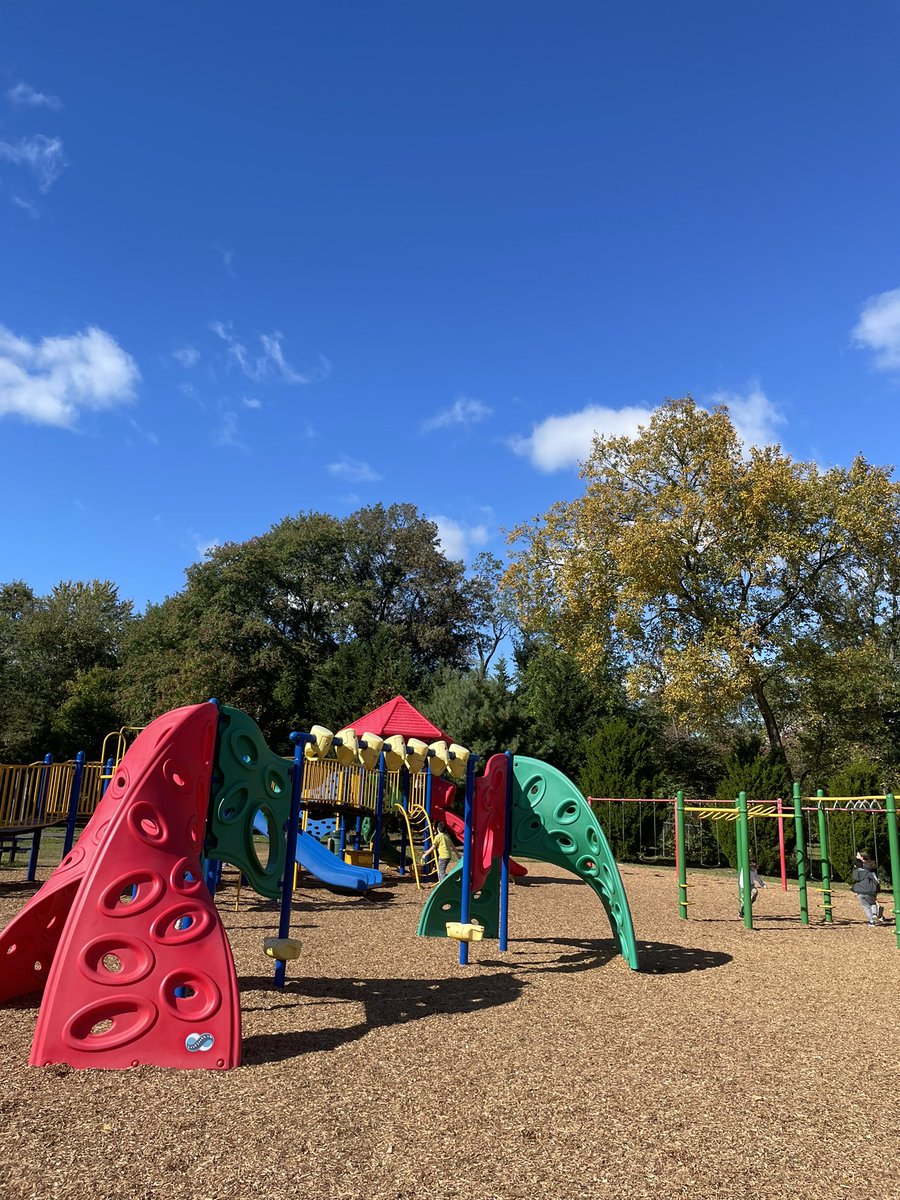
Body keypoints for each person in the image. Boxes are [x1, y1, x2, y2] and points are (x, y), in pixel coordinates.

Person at [851, 851, 882, 925]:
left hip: (861, 890)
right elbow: (875, 881)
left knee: (866, 906)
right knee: (872, 902)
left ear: (862, 857)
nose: (856, 856)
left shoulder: (862, 867)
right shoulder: (865, 869)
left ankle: (871, 921)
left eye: (858, 855)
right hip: (870, 889)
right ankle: (875, 914)